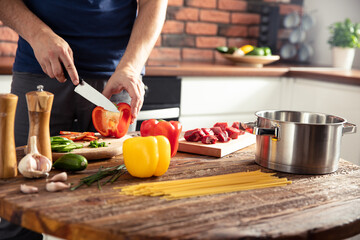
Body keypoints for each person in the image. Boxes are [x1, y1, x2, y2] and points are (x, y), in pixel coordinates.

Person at [0, 0, 168, 239]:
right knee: (16, 205)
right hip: (40, 70)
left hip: (117, 78)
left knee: (116, 202)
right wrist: (37, 33)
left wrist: (130, 67)